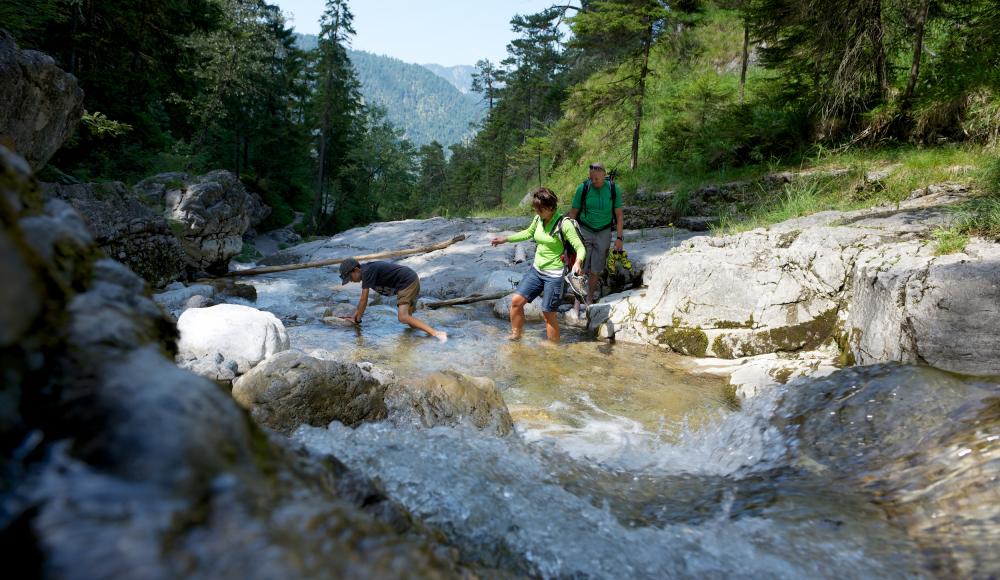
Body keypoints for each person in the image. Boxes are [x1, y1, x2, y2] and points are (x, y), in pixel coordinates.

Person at [490, 187, 586, 343]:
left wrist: (578, 262)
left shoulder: (564, 224)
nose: (537, 213)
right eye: (535, 209)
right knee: (516, 302)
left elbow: (580, 247)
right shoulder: (538, 219)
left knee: (548, 313)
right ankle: (516, 336)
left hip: (554, 275)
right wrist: (505, 239)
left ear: (550, 208)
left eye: (539, 210)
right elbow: (528, 233)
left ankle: (553, 351)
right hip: (536, 270)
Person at [338, 258, 448, 343]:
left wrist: (357, 320)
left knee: (403, 317)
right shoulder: (366, 271)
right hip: (409, 280)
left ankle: (437, 333)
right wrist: (354, 316)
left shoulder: (366, 273)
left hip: (407, 282)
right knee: (409, 320)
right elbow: (362, 302)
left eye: (350, 278)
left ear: (356, 270)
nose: (351, 281)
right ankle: (421, 337)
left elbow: (363, 300)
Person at [567, 162, 624, 312]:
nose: (594, 181)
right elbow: (573, 213)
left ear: (604, 175)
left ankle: (590, 298)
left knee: (596, 269)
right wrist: (569, 235)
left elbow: (619, 215)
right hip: (585, 229)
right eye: (591, 178)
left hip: (604, 231)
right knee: (581, 266)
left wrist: (619, 238)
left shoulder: (613, 189)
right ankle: (577, 302)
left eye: (597, 178)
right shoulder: (583, 188)